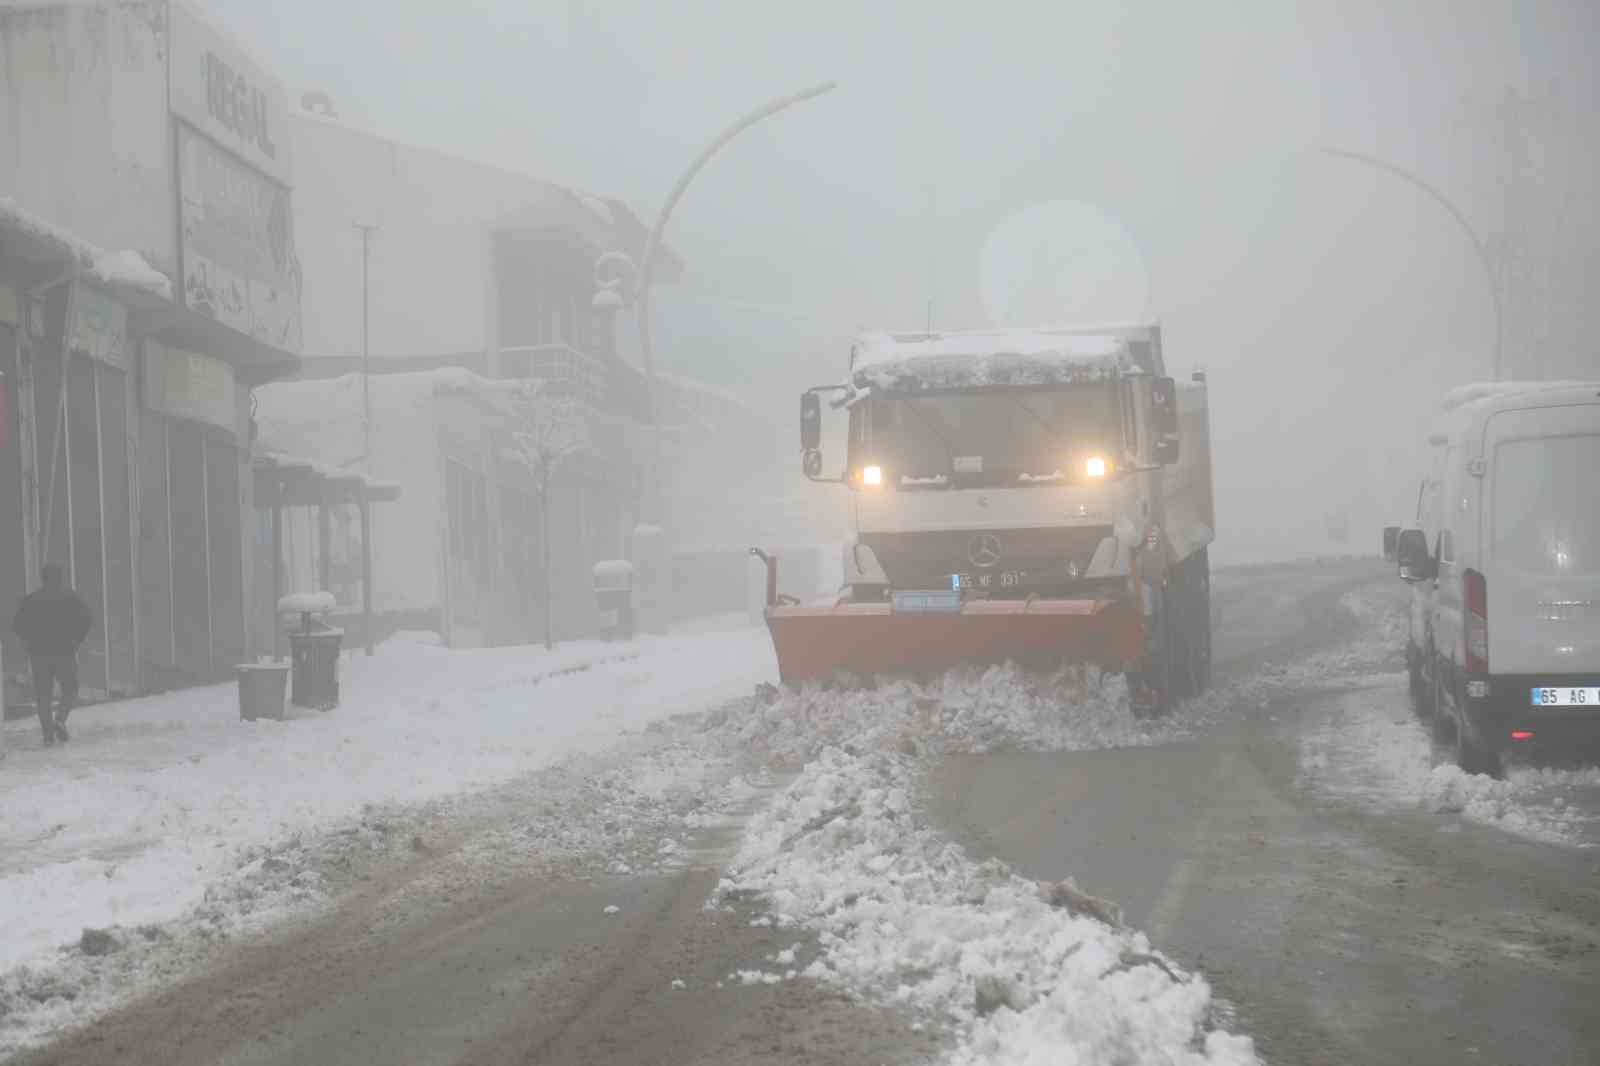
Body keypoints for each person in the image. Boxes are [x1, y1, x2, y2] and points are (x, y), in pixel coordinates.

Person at [12, 564, 92, 746]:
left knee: (43, 695)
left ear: (43, 578)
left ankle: (48, 735)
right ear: (60, 577)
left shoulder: (31, 600)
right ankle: (61, 718)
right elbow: (87, 619)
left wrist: (28, 643)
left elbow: (17, 625)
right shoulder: (70, 598)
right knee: (70, 688)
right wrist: (76, 640)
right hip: (65, 651)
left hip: (39, 654)